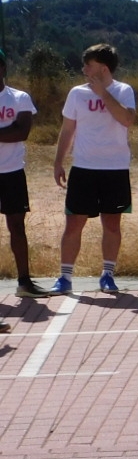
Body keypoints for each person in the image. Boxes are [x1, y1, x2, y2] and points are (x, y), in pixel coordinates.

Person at [52, 43, 135, 294]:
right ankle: (65, 277)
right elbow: (68, 129)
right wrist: (58, 162)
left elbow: (127, 120)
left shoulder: (123, 90)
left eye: (88, 65)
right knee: (73, 224)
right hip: (84, 168)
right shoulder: (77, 93)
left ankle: (107, 274)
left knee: (111, 224)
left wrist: (103, 94)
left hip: (115, 169)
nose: (84, 69)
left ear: (103, 68)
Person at [0, 48, 45, 300]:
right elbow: (13, 130)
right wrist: (8, 130)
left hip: (12, 172)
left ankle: (24, 282)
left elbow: (22, 132)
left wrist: (12, 131)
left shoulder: (19, 98)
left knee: (17, 227)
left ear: (3, 68)